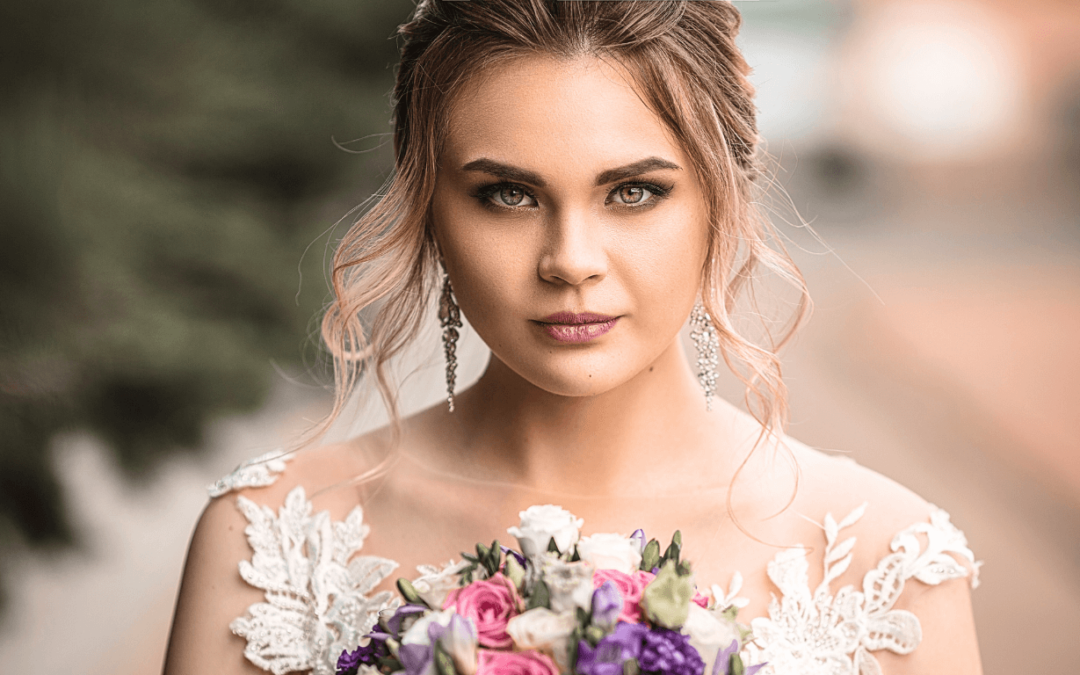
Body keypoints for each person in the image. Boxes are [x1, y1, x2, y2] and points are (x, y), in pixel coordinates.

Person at [163, 1, 983, 674]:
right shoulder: (267, 538)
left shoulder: (888, 561)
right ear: (428, 208)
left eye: (633, 191)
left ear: (721, 200)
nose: (570, 262)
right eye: (508, 195)